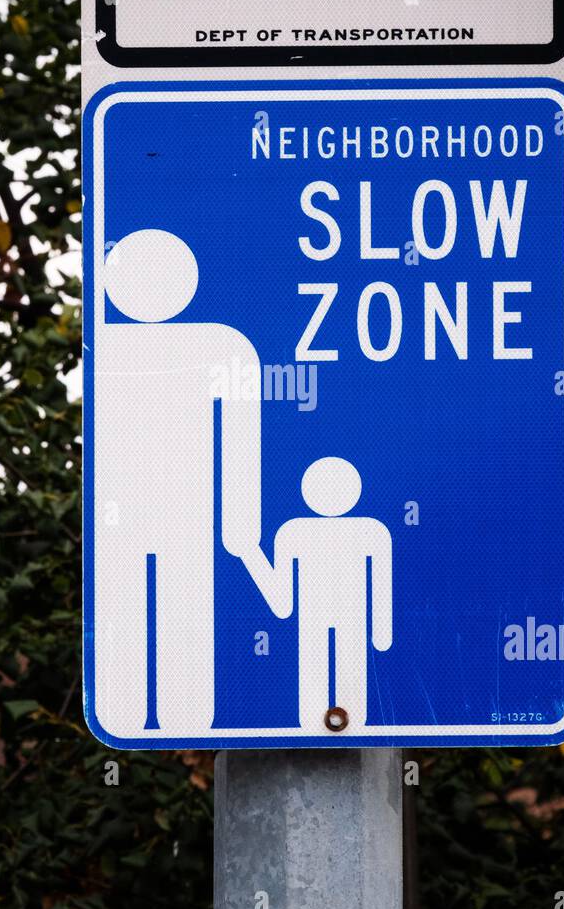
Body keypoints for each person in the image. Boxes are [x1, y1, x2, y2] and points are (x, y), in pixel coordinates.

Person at [95, 229, 262, 736]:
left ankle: (177, 712)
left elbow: (240, 438)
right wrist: (241, 527)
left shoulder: (218, 346)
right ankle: (156, 711)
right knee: (156, 604)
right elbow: (241, 441)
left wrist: (241, 525)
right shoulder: (219, 343)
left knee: (177, 605)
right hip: (146, 513)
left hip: (166, 513)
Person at [244, 457, 393, 733]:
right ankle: (322, 720)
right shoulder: (294, 532)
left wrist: (383, 634)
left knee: (348, 684)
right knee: (314, 698)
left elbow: (282, 605)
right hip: (318, 622)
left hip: (347, 622)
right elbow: (282, 603)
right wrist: (249, 554)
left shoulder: (371, 532)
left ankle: (343, 720)